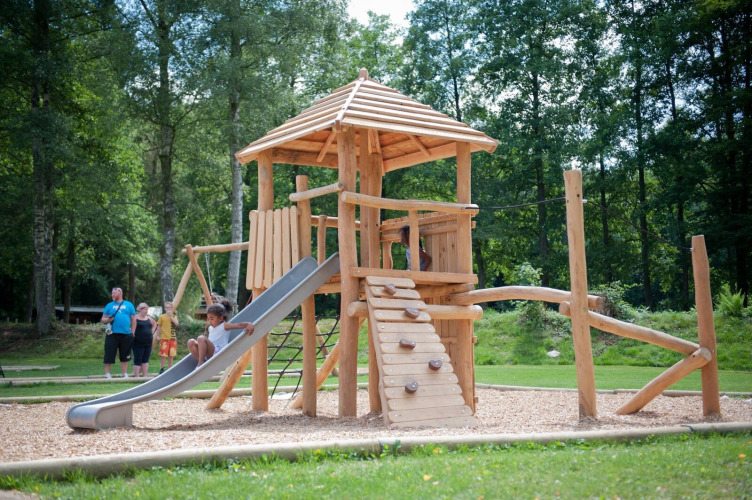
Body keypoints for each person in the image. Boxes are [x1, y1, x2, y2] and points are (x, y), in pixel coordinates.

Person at [187, 300, 253, 368]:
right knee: (191, 342)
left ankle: (200, 363)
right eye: (208, 319)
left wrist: (248, 324)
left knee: (201, 338)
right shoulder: (211, 328)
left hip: (219, 352)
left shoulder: (224, 326)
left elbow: (238, 325)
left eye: (212, 319)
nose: (210, 321)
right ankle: (202, 361)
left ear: (221, 318)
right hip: (210, 352)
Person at [101, 287, 136, 379]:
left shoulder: (129, 305)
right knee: (109, 353)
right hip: (112, 333)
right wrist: (107, 319)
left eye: (114, 293)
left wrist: (133, 331)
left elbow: (133, 319)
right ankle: (107, 373)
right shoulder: (109, 305)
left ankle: (124, 373)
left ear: (120, 292)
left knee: (125, 354)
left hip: (126, 334)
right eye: (112, 293)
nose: (112, 295)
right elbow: (103, 319)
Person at [132, 303, 157, 377]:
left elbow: (155, 323)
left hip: (148, 342)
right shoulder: (135, 318)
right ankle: (136, 376)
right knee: (138, 359)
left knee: (145, 359)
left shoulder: (149, 318)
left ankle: (145, 376)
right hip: (137, 342)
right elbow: (130, 327)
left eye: (147, 309)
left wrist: (152, 331)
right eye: (145, 309)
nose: (146, 311)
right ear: (140, 309)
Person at [155, 301, 179, 374]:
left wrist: (171, 317)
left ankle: (170, 368)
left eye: (170, 307)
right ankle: (162, 368)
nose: (168, 309)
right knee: (163, 354)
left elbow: (176, 324)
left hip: (172, 338)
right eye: (167, 307)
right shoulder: (162, 316)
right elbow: (159, 326)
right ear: (165, 308)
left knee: (171, 354)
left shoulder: (174, 316)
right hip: (164, 338)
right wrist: (158, 335)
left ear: (172, 308)